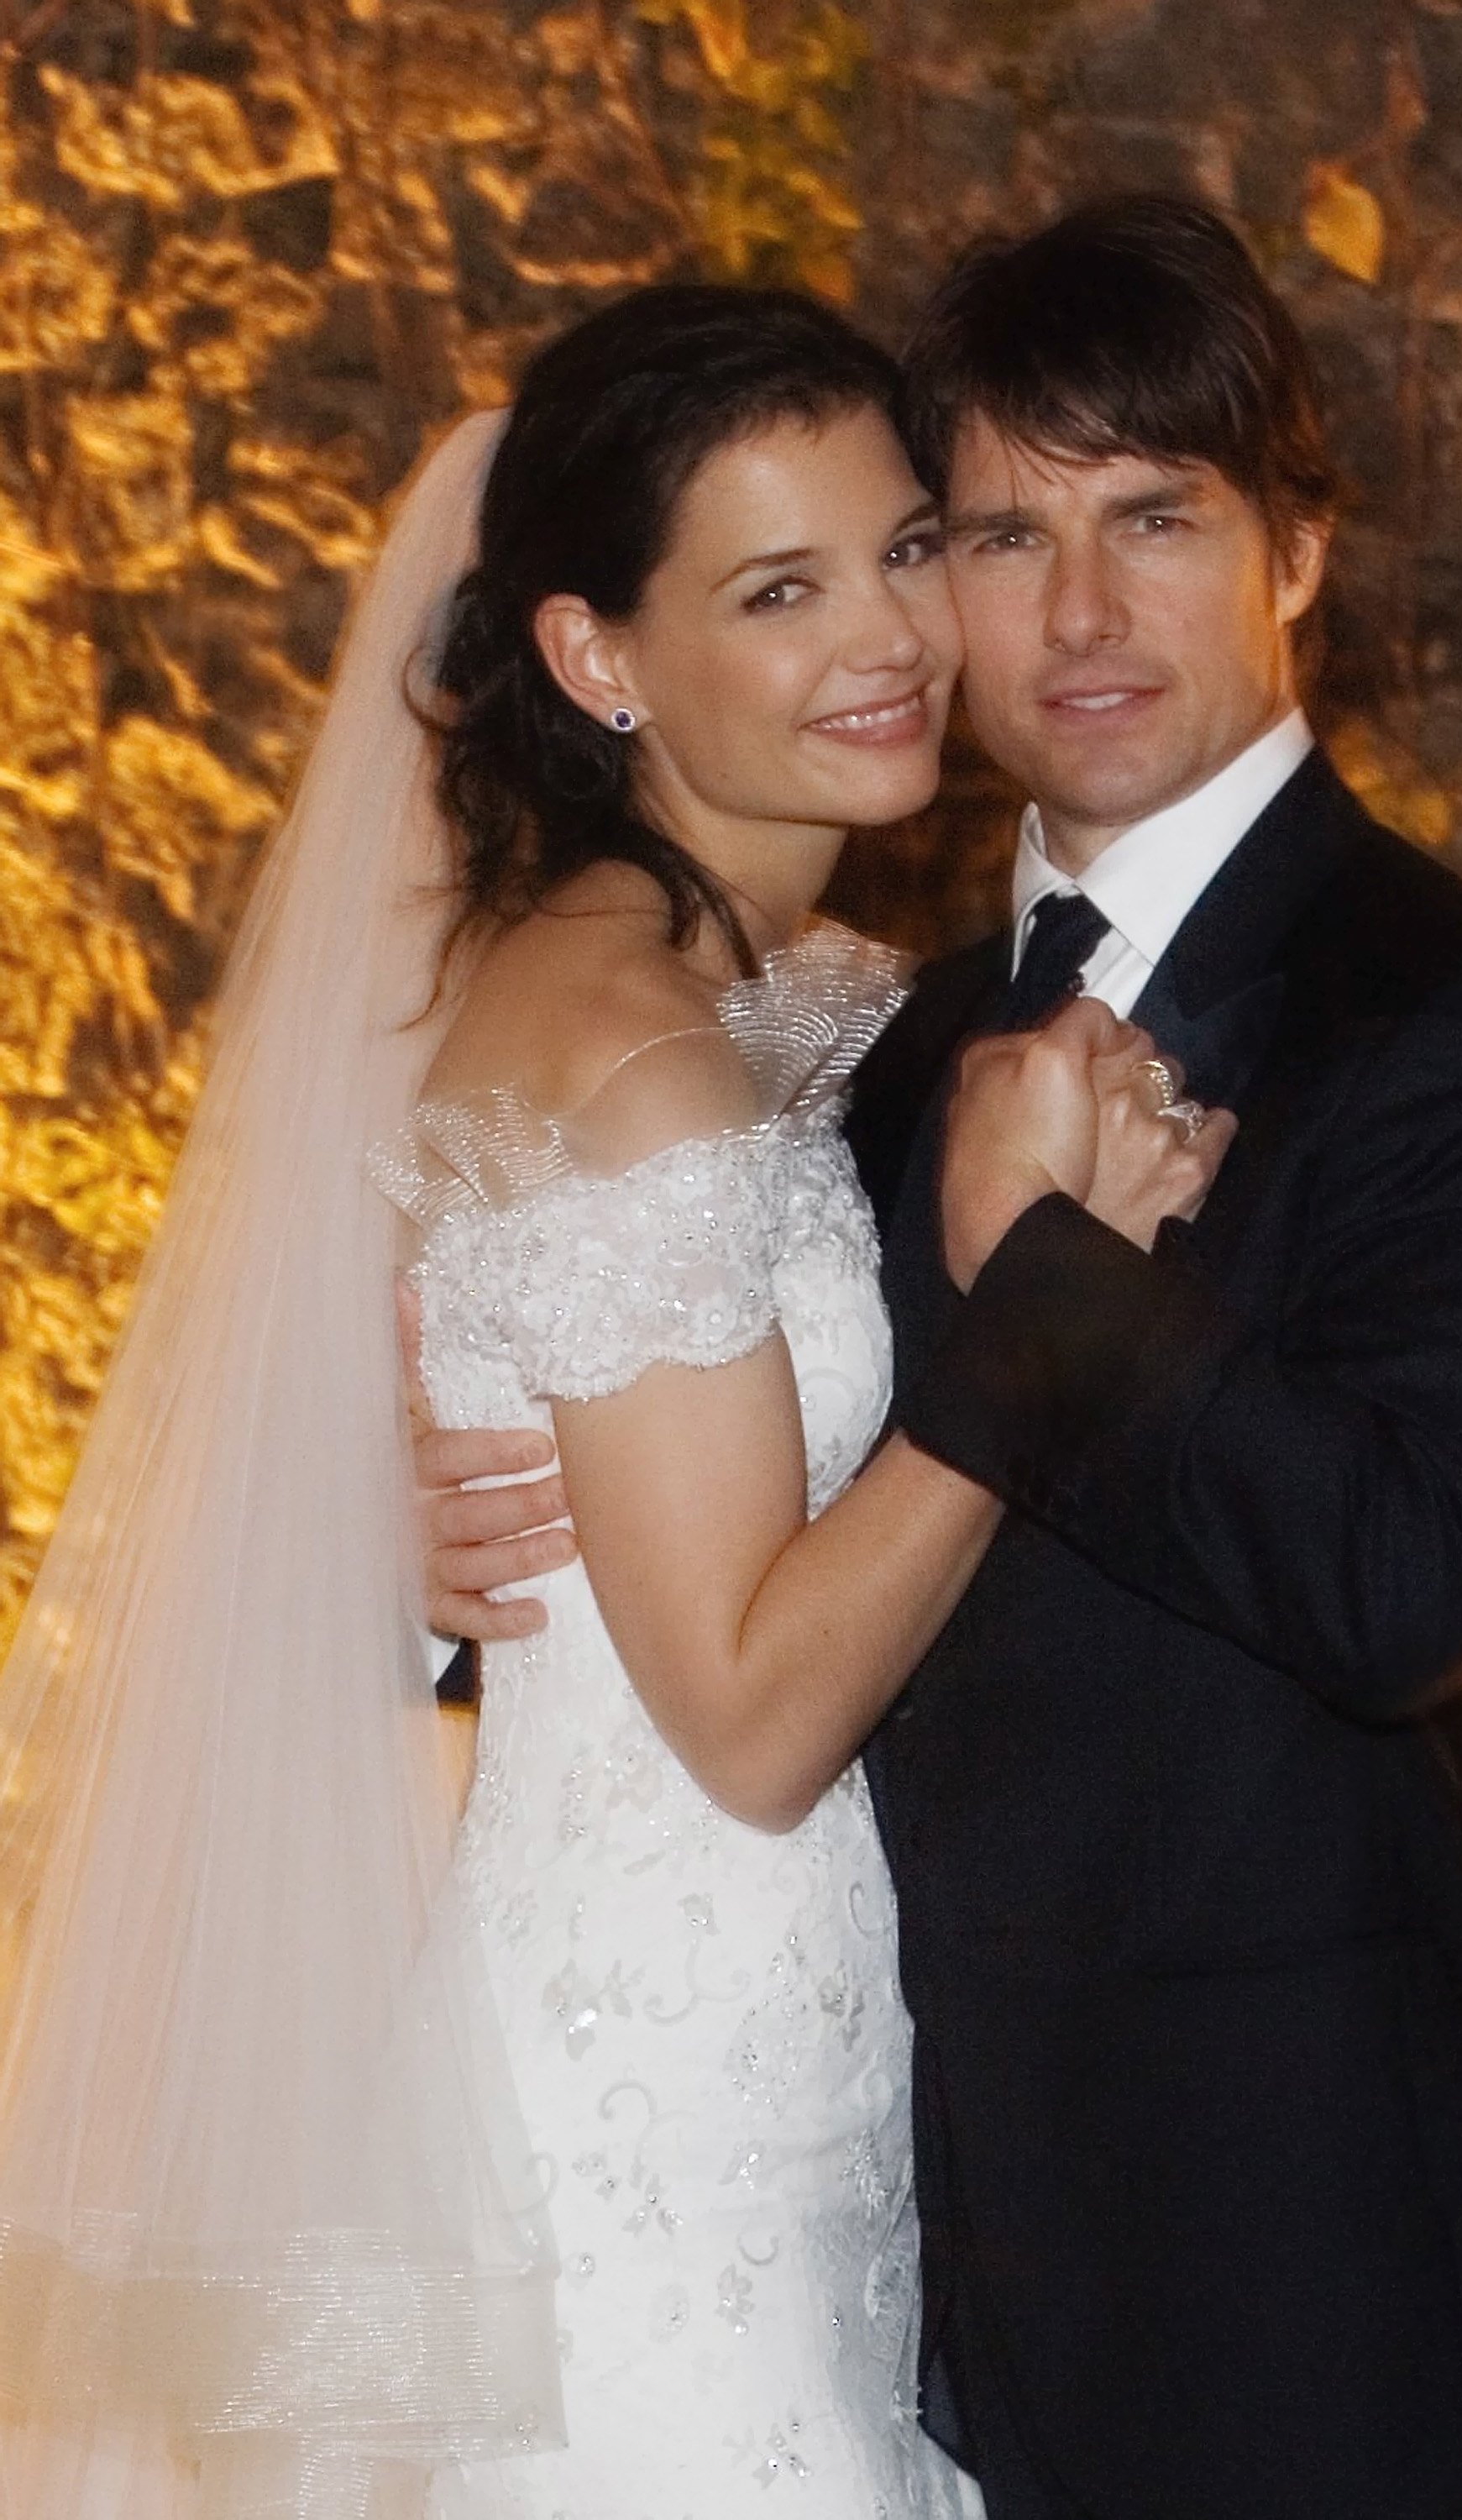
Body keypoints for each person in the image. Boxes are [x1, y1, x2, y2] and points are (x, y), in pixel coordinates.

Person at [431, 198, 1462, 2520]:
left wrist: (1052, 1287)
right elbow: (684, 1438)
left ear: (1297, 551)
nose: (1073, 616)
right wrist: (461, 1517)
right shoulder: (862, 1037)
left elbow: (1405, 1590)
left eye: (1154, 521)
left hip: (1303, 2274)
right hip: (888, 2240)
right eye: (995, 534)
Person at [0, 280, 1215, 2519]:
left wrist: (395, 1522)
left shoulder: (709, 985)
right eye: (781, 590)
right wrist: (1048, 1297)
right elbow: (746, 1718)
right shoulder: (649, 1056)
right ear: (594, 658)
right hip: (675, 2097)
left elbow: (493, 1339)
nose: (898, 640)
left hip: (730, 2034)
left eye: (904, 548)